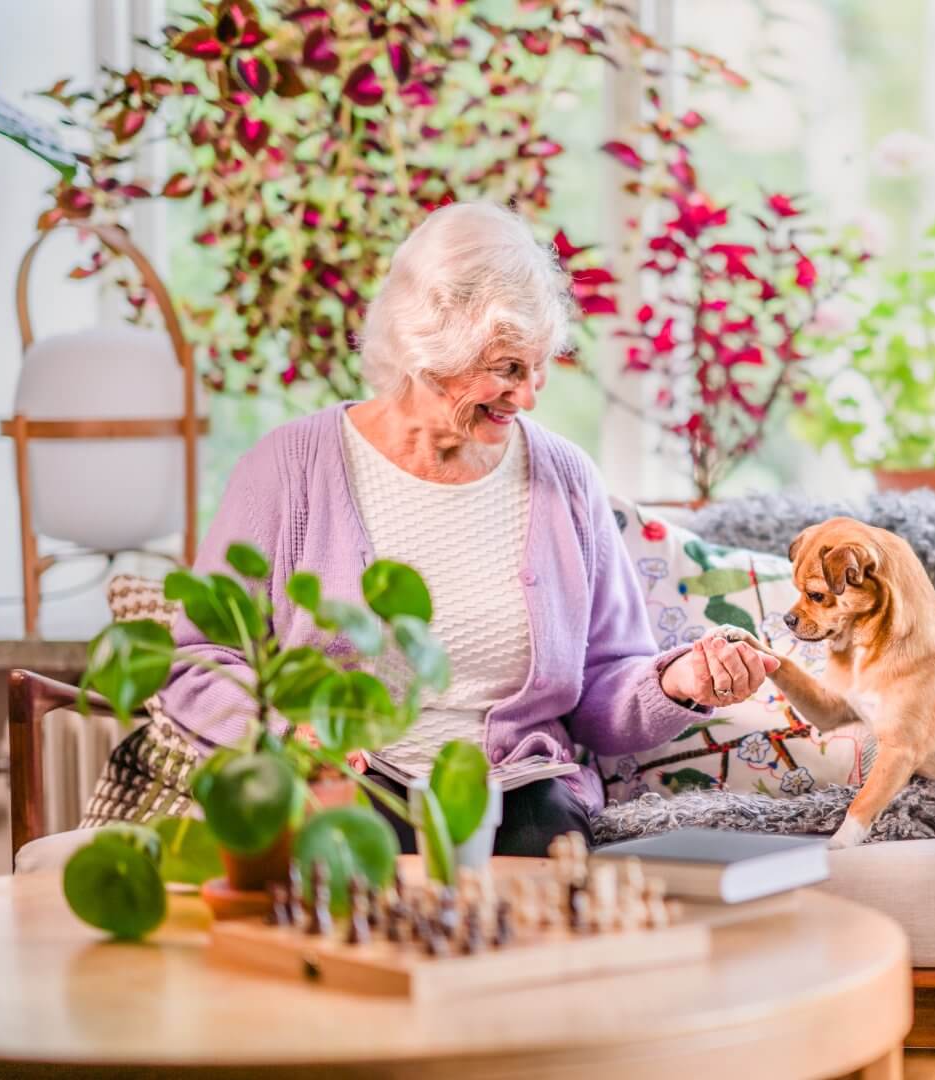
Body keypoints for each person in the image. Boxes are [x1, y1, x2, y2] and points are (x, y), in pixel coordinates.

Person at [88, 202, 779, 855]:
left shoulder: (565, 479)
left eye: (539, 368)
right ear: (427, 348)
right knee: (338, 860)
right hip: (332, 784)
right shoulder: (288, 470)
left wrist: (678, 681)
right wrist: (281, 737)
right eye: (507, 369)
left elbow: (605, 687)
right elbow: (198, 660)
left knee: (541, 868)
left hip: (516, 796)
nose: (530, 395)